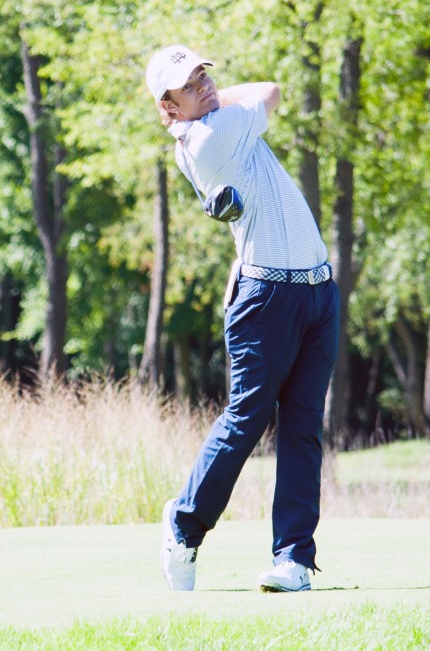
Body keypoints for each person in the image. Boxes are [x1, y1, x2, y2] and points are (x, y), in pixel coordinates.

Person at [145, 44, 340, 592]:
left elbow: (261, 94)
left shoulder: (211, 121)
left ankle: (294, 560)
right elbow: (272, 90)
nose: (206, 86)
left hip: (316, 290)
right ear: (168, 108)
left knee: (303, 430)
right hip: (265, 299)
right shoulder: (210, 137)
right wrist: (206, 110)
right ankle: (183, 526)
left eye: (205, 75)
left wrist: (202, 102)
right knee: (247, 419)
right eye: (190, 85)